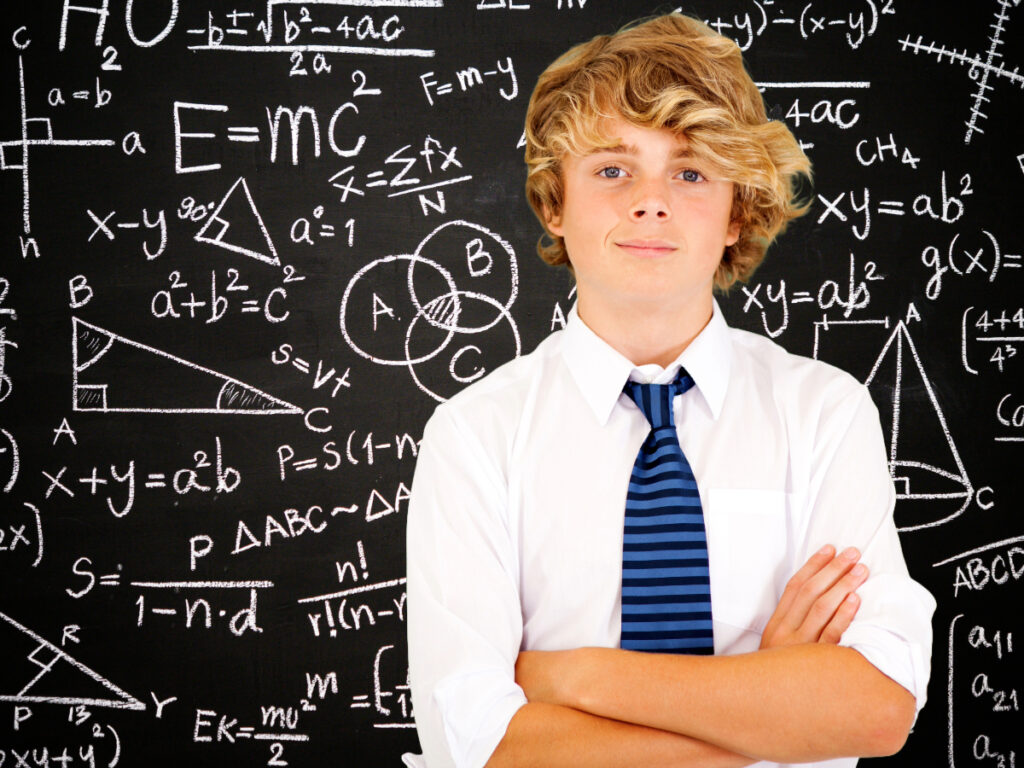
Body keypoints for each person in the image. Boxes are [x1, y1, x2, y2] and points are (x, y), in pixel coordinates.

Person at [404, 12, 936, 768]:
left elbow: (876, 707)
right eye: (612, 169)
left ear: (736, 213)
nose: (650, 202)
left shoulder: (823, 414)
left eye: (690, 173)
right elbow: (481, 743)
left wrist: (576, 677)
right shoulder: (476, 437)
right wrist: (766, 705)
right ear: (555, 201)